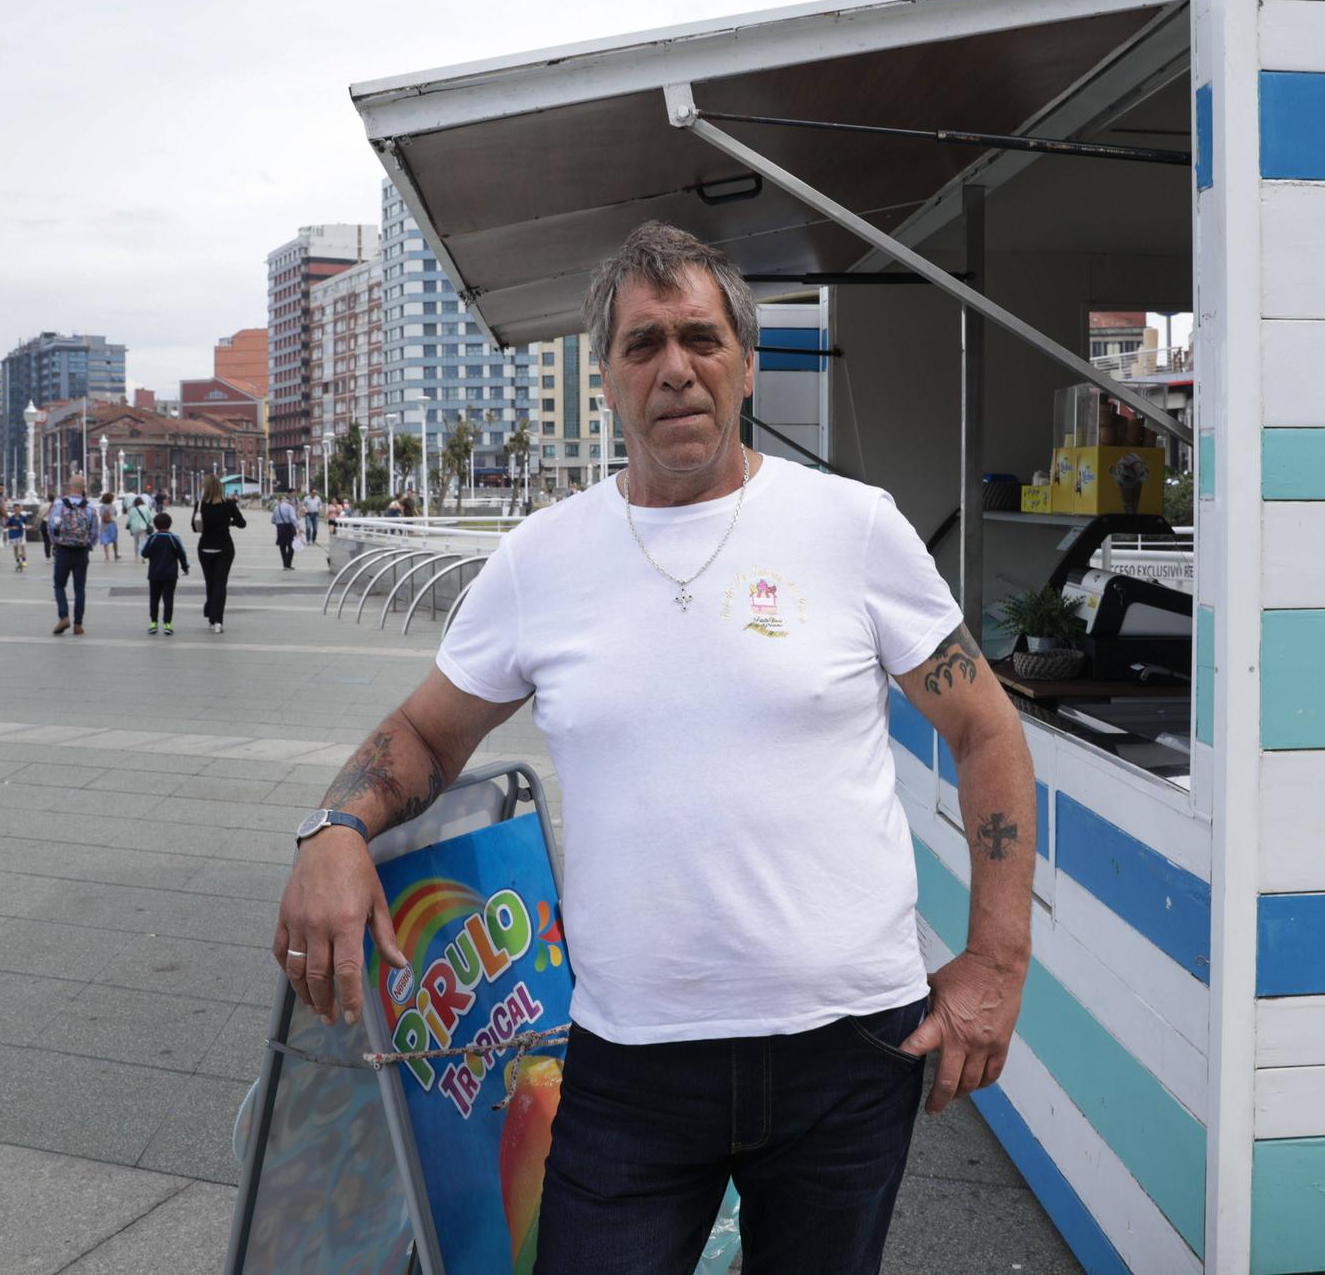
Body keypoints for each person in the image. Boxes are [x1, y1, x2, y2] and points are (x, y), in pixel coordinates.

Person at [271, 222, 1035, 1273]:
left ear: (745, 361)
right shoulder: (542, 559)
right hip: (629, 1064)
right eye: (642, 346)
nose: (675, 367)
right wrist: (334, 826)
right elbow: (422, 733)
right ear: (606, 379)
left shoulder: (850, 527)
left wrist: (996, 958)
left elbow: (985, 729)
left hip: (848, 1049)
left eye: (699, 338)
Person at [191, 477, 245, 634]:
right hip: (224, 548)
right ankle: (218, 621)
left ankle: (211, 615)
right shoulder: (229, 504)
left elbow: (195, 528)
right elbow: (242, 523)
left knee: (210, 582)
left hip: (205, 548)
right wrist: (230, 522)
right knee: (220, 585)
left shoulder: (200, 505)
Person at [47, 476, 100, 636]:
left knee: (59, 585)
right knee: (79, 589)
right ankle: (78, 624)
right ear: (83, 487)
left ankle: (64, 616)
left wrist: (56, 543)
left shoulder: (58, 504)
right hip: (81, 551)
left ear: (69, 487)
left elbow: (52, 526)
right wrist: (87, 545)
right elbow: (94, 532)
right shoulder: (90, 507)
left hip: (63, 549)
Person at [140, 511, 191, 636]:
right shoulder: (174, 538)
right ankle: (168, 624)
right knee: (168, 599)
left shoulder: (152, 538)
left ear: (156, 525)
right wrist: (185, 567)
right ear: (170, 524)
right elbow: (182, 555)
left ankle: (153, 623)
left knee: (154, 599)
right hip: (170, 575)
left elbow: (144, 553)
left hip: (154, 574)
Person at [270, 493, 299, 569]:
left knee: (282, 546)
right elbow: (293, 518)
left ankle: (285, 564)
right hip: (289, 527)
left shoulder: (276, 508)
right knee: (291, 546)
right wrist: (298, 526)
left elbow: (272, 520)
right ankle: (288, 564)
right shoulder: (290, 507)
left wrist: (279, 523)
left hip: (280, 528)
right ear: (288, 500)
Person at [124, 494, 153, 560]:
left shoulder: (132, 509)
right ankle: (143, 557)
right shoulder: (146, 508)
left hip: (134, 528)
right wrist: (147, 523)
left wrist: (127, 525)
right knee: (143, 541)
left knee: (136, 542)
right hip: (143, 527)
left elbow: (129, 520)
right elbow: (151, 518)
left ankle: (136, 557)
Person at [5, 501, 29, 572]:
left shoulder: (23, 518)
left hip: (21, 534)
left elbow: (26, 525)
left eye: (18, 509)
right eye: (15, 509)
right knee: (15, 548)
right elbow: (6, 526)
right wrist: (12, 527)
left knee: (22, 546)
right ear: (13, 510)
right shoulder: (11, 518)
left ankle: (24, 560)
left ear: (20, 509)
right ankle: (18, 561)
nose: (17, 511)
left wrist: (27, 527)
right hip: (13, 535)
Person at [97, 491, 121, 562]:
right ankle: (116, 555)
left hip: (104, 525)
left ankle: (107, 557)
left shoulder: (101, 507)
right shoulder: (112, 506)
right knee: (114, 541)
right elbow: (115, 514)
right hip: (112, 524)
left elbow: (101, 515)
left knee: (105, 542)